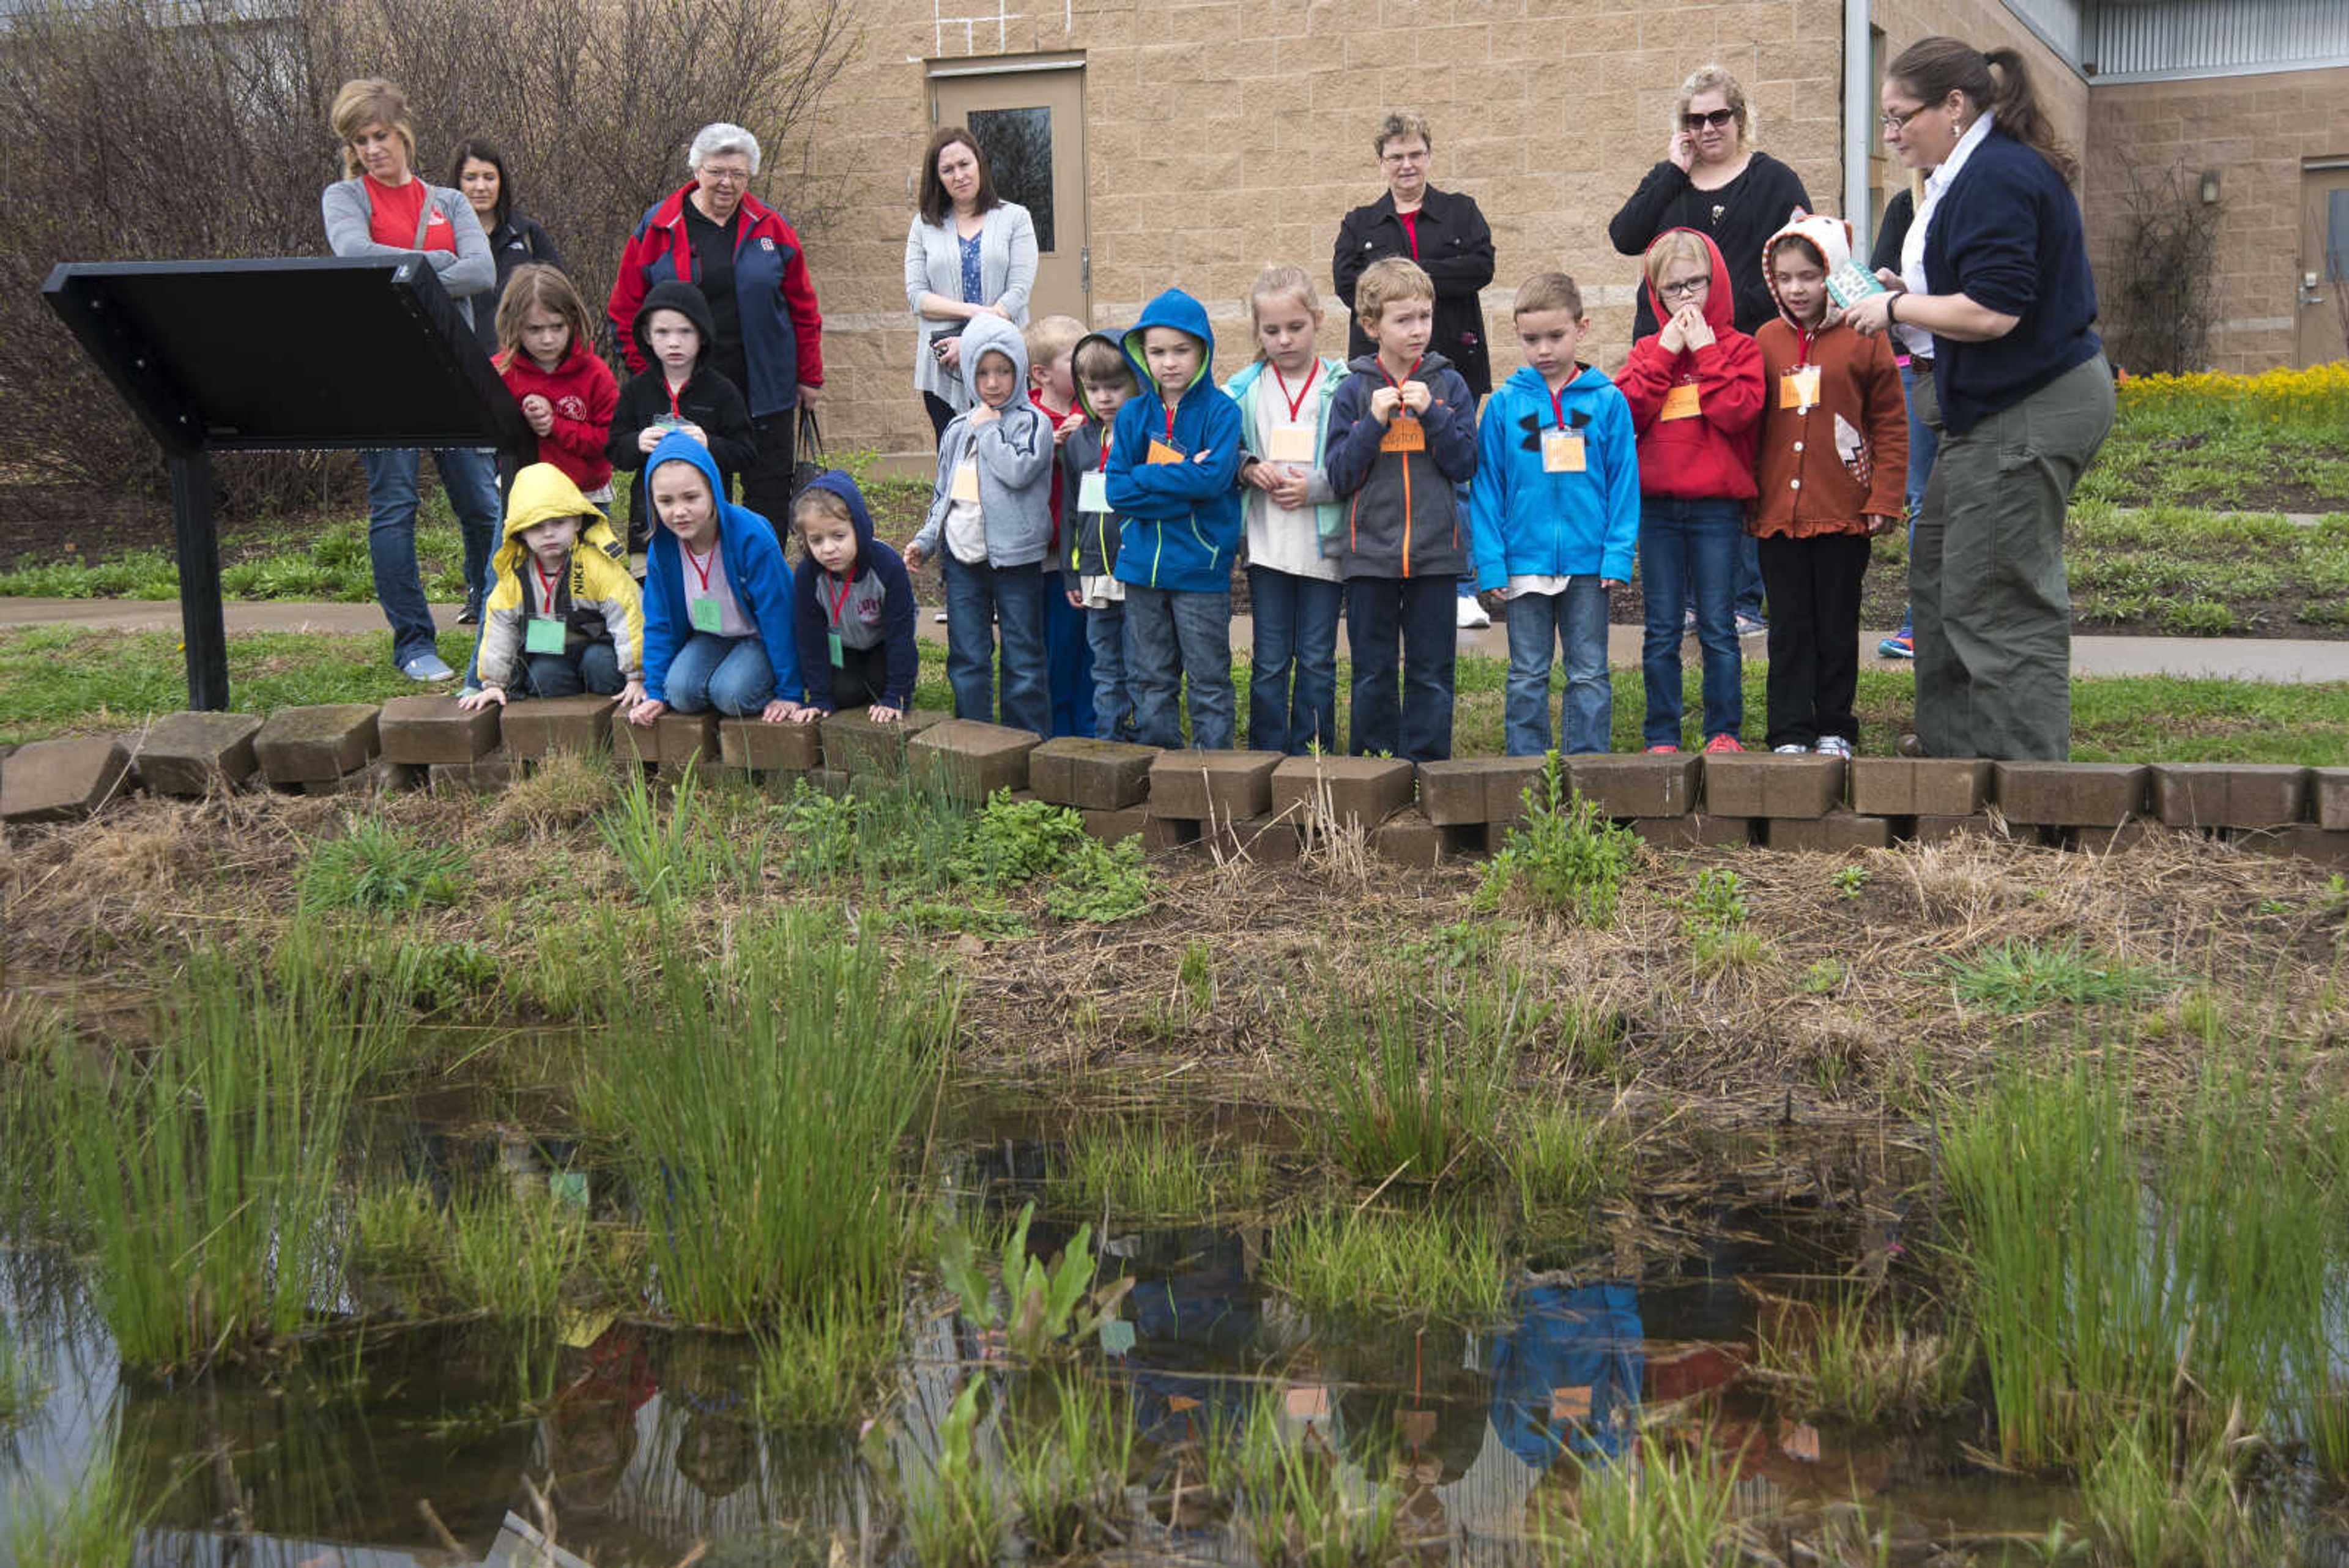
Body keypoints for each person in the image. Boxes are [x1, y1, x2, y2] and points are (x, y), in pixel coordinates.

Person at [1843, 37, 2113, 762]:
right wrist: (1908, 295)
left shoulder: (1997, 176)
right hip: (1988, 411)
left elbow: (1995, 312)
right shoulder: (1966, 175)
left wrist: (1895, 313)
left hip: (2032, 404)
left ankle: (2022, 788)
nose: (1893, 134)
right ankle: (1954, 756)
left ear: (1954, 105)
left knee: (1999, 597)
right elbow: (1974, 293)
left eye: (1902, 117)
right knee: (1938, 576)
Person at [1609, 64, 1810, 638]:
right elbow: (1626, 236)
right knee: (1675, 465)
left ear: (1740, 118)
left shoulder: (1773, 180)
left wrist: (1735, 314)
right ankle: (1688, 602)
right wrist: (1671, 170)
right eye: (1694, 120)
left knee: (1734, 464)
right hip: (1667, 352)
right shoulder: (1671, 181)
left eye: (1718, 116)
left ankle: (1740, 599)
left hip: (1737, 350)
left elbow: (1798, 250)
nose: (1707, 128)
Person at [321, 77, 502, 676]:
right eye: (360, 139)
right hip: (383, 374)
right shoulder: (345, 198)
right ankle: (414, 642)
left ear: (404, 134)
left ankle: (489, 609)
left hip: (451, 368)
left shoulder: (447, 201)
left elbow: (482, 272)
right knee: (395, 505)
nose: (373, 149)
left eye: (381, 135)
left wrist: (407, 270)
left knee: (480, 505)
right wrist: (441, 265)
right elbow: (353, 257)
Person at [608, 122, 823, 531]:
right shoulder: (658, 227)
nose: (727, 183)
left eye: (738, 174)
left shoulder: (772, 227)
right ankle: (705, 587)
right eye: (716, 172)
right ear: (696, 170)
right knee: (699, 491)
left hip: (765, 386)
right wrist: (648, 372)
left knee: (769, 494)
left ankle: (760, 584)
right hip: (691, 391)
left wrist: (809, 376)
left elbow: (803, 308)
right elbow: (624, 308)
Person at [1331, 110, 1497, 631]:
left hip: (1451, 367)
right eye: (1396, 156)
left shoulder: (1460, 212)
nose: (1407, 164)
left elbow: (1481, 266)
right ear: (1381, 163)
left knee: (1454, 477)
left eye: (1416, 153)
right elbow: (1346, 283)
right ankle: (1383, 570)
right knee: (1386, 469)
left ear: (1429, 155)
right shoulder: (1360, 223)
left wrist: (1410, 278)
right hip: (1383, 375)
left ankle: (1462, 588)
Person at [1750, 214, 1907, 757]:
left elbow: (1889, 419)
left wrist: (1885, 496)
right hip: (1778, 517)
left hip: (1844, 510)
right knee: (1790, 627)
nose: (1797, 289)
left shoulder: (1865, 337)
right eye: (1786, 277)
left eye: (1810, 276)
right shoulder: (1765, 341)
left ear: (1833, 275)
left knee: (1836, 624)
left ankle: (1835, 725)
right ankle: (1789, 729)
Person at [1469, 272, 1639, 758]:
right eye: (1530, 339)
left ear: (1581, 328)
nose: (1543, 349)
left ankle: (1587, 772)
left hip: (1588, 564)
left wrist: (1616, 553)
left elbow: (1625, 482)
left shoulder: (1608, 401)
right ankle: (1528, 773)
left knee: (1588, 671)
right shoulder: (1504, 406)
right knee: (1526, 672)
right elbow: (1487, 487)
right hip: (1525, 562)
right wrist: (1493, 562)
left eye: (1555, 336)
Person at [1323, 258, 1479, 764]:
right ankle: (1375, 769)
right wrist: (1372, 423)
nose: (1418, 330)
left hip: (1436, 554)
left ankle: (1428, 767)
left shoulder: (1449, 386)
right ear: (1372, 327)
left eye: (1425, 317)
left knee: (1432, 671)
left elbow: (1464, 463)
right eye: (1403, 319)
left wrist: (1432, 413)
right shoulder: (1352, 391)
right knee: (1373, 671)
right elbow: (1340, 474)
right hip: (1371, 555)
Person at [1617, 229, 1764, 754]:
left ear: (1715, 281)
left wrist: (1704, 351)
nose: (1686, 298)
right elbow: (1626, 412)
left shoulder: (1741, 349)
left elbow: (1739, 411)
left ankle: (1724, 729)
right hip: (1657, 510)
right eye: (1672, 288)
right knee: (1661, 628)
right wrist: (1666, 353)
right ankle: (1662, 733)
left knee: (1719, 626)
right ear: (1656, 295)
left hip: (1716, 510)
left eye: (1695, 284)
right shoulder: (1645, 350)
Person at [1104, 289, 1245, 751]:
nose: (1169, 363)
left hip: (1200, 571)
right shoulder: (1132, 415)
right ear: (1141, 354)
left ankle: (1214, 779)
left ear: (1203, 349)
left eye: (1182, 350)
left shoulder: (1223, 411)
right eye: (1158, 351)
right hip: (1141, 568)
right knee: (1149, 678)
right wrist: (1178, 487)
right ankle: (1159, 770)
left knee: (1208, 681)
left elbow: (1213, 482)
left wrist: (1147, 479)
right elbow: (1117, 490)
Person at [904, 314, 1055, 738]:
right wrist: (925, 540)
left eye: (1003, 371)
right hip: (963, 559)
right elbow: (943, 494)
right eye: (983, 371)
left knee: (1022, 656)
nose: (992, 383)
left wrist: (989, 432)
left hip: (1015, 559)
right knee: (968, 654)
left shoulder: (1033, 423)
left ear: (1019, 370)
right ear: (968, 371)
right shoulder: (956, 428)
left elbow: (1019, 471)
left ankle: (1025, 741)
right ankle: (975, 740)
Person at [1225, 264, 1348, 756]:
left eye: (1295, 327)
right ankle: (1267, 754)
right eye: (1271, 330)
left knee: (1317, 657)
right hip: (1268, 545)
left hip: (1322, 549)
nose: (1284, 339)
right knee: (1271, 658)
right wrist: (1247, 466)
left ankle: (1313, 755)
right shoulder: (1242, 388)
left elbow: (1354, 460)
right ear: (1258, 332)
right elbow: (1220, 448)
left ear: (1318, 320)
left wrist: (1315, 489)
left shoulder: (1341, 387)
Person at [627, 430, 803, 726]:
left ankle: (762, 677)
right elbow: (659, 619)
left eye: (691, 497)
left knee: (731, 694)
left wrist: (791, 691)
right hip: (711, 636)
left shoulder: (750, 536)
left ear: (713, 490)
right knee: (680, 694)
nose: (679, 511)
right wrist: (656, 691)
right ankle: (724, 674)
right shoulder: (663, 546)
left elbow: (779, 615)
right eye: (666, 501)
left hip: (757, 635)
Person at [458, 463, 644, 709]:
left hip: (601, 646)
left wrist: (637, 676)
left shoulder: (596, 566)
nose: (548, 534)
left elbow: (629, 614)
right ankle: (576, 708)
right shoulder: (516, 577)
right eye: (536, 527)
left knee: (597, 664)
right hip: (555, 652)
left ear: (577, 521)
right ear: (520, 533)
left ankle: (611, 705)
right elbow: (499, 629)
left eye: (558, 523)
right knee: (542, 677)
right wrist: (493, 685)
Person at [903, 128, 1041, 442]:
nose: (959, 175)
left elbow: (1017, 294)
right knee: (954, 458)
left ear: (980, 164)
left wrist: (973, 341)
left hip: (1002, 360)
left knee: (1005, 454)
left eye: (965, 164)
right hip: (943, 366)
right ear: (938, 178)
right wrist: (974, 313)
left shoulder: (1015, 218)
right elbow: (918, 298)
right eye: (948, 170)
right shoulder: (923, 225)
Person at [606, 280, 756, 550]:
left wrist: (710, 444)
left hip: (709, 529)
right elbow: (615, 450)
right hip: (649, 526)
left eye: (686, 331)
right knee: (652, 587)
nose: (674, 343)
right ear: (647, 336)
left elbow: (745, 453)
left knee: (706, 591)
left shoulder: (722, 391)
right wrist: (636, 443)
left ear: (702, 335)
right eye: (662, 332)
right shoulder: (636, 391)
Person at [1060, 330, 1141, 743]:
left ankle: (1146, 741)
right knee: (1105, 666)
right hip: (1093, 574)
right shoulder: (1078, 444)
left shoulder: (1146, 438)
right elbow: (1071, 514)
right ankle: (1109, 744)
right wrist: (1071, 575)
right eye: (1092, 388)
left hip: (1137, 572)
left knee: (1144, 664)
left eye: (1115, 386)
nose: (1104, 397)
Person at [1870, 170, 1937, 661]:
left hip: (1971, 370)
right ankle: (1920, 622)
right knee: (1923, 501)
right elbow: (1878, 279)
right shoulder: (1905, 205)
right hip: (1915, 368)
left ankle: (1949, 622)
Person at [789, 472, 918, 724]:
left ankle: (892, 689)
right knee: (844, 693)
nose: (828, 549)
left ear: (858, 529)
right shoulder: (807, 575)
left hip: (883, 645)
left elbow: (900, 635)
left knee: (881, 684)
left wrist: (896, 695)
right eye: (816, 540)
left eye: (839, 536)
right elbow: (809, 638)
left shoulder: (888, 567)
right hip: (843, 649)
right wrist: (819, 697)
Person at [1025, 313, 1098, 738]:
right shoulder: (1027, 417)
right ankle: (1056, 732)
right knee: (1055, 648)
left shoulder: (1094, 412)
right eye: (1076, 360)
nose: (1088, 367)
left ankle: (1091, 730)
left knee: (1090, 647)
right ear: (1042, 373)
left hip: (1087, 553)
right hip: (1047, 560)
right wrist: (1046, 446)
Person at [493, 264, 617, 505]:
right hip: (522, 493)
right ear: (514, 325)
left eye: (557, 327)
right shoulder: (500, 372)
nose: (548, 339)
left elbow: (609, 441)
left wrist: (555, 425)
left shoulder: (596, 374)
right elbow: (486, 431)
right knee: (505, 546)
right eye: (535, 329)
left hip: (584, 496)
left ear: (573, 320)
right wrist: (520, 419)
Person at [449, 138, 563, 358]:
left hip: (523, 367)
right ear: (458, 183)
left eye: (489, 177)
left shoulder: (529, 234)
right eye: (470, 178)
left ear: (501, 182)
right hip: (462, 363)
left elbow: (561, 303)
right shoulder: (444, 237)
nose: (480, 187)